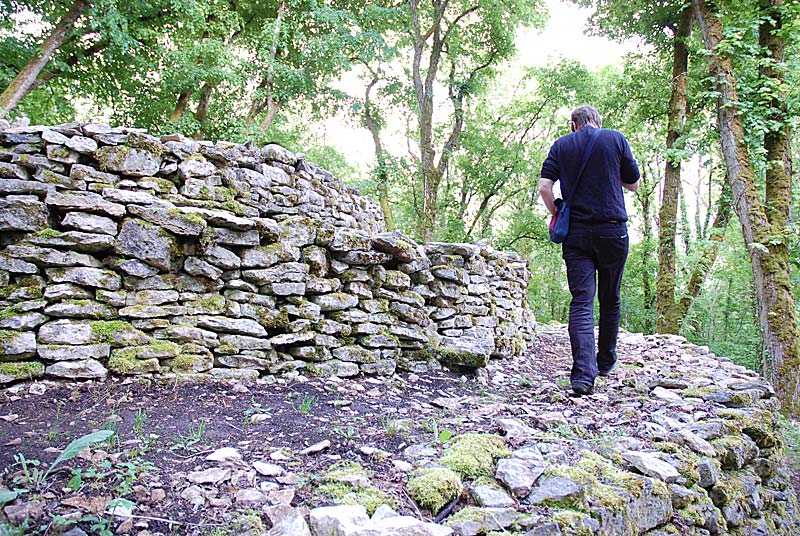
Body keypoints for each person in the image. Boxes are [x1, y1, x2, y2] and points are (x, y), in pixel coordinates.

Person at [538, 105, 640, 396]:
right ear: (598, 122)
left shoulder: (561, 145)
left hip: (577, 234)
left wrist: (555, 211)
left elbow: (545, 186)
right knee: (610, 298)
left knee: (582, 301)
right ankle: (605, 362)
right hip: (612, 230)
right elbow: (632, 184)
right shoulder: (615, 139)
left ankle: (583, 376)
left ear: (573, 124)